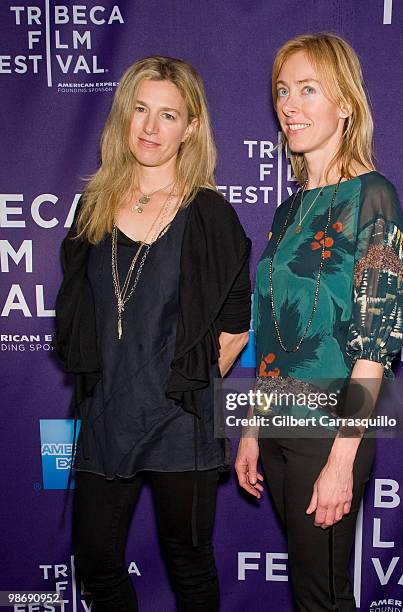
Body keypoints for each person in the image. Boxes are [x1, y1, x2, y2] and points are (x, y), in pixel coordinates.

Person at [53, 56, 251, 612]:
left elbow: (235, 331)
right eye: (140, 110)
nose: (150, 127)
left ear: (190, 127)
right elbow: (80, 316)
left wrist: (174, 380)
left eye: (168, 115)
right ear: (124, 116)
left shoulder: (209, 214)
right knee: (96, 561)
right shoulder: (93, 209)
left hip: (178, 423)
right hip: (106, 418)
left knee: (188, 565)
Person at [235, 33, 403, 611]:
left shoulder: (373, 197)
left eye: (309, 89)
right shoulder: (289, 210)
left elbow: (376, 342)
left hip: (330, 433)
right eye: (283, 91)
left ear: (346, 105)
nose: (290, 105)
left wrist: (342, 457)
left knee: (321, 600)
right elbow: (273, 332)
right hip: (279, 429)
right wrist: (255, 429)